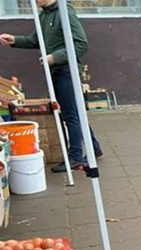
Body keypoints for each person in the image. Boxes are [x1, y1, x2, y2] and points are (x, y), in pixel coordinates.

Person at [0, 0, 102, 173]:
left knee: (70, 114)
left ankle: (76, 157)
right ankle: (94, 147)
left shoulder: (64, 12)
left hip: (66, 70)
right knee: (74, 111)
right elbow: (37, 40)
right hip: (56, 71)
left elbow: (81, 44)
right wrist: (15, 40)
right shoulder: (45, 14)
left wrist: (55, 57)